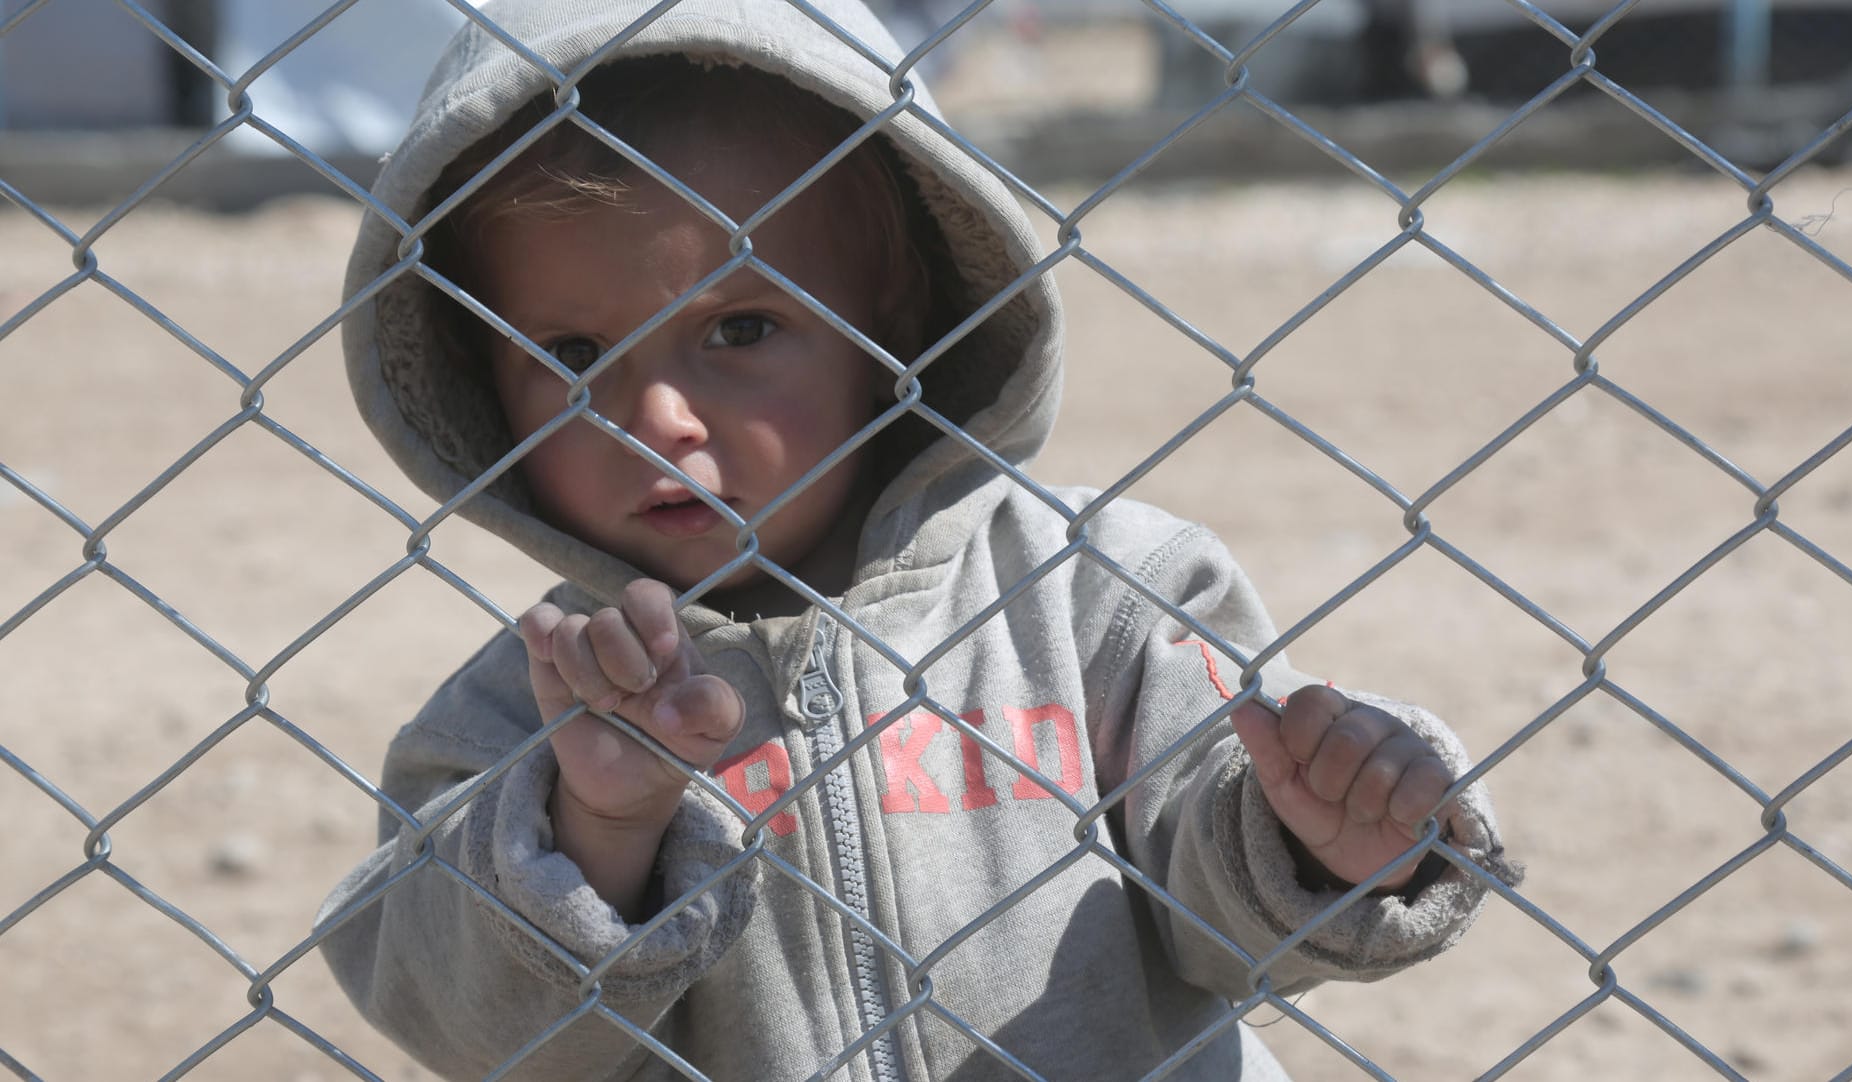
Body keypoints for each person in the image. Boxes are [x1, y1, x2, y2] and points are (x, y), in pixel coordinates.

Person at [318, 0, 1521, 1078]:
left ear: (892, 321)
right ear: (478, 377)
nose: (657, 420)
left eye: (737, 328)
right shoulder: (516, 716)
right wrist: (595, 831)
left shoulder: (1092, 594)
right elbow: (455, 1020)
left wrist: (1327, 843)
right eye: (573, 359)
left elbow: (1224, 898)